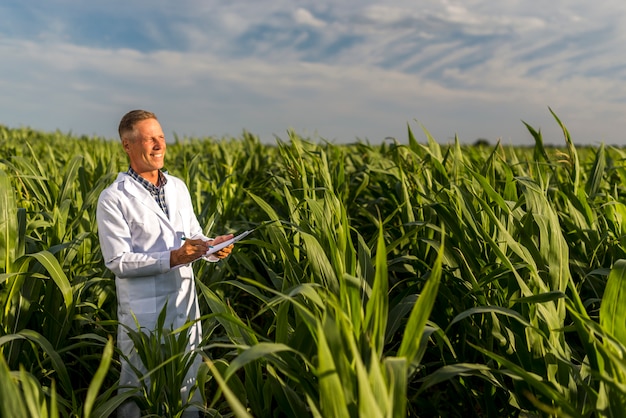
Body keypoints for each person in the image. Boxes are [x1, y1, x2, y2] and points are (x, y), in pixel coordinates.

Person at [96, 109, 233, 417]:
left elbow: (192, 236)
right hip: (144, 314)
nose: (158, 145)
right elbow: (118, 261)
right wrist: (173, 257)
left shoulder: (178, 187)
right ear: (127, 146)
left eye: (161, 137)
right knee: (139, 391)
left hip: (184, 306)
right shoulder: (113, 198)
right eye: (149, 139)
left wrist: (212, 247)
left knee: (188, 388)